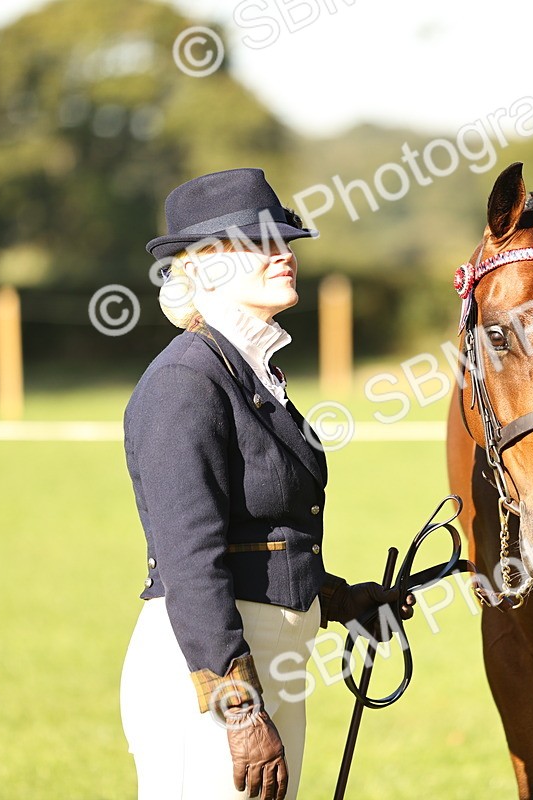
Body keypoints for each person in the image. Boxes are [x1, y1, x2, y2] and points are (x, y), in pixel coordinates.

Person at [119, 168, 408, 800]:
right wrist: (240, 709)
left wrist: (337, 601)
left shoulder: (246, 370)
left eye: (284, 241)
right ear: (205, 267)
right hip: (213, 680)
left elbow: (262, 534)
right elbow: (191, 560)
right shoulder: (185, 382)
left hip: (270, 669)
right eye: (259, 243)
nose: (284, 255)